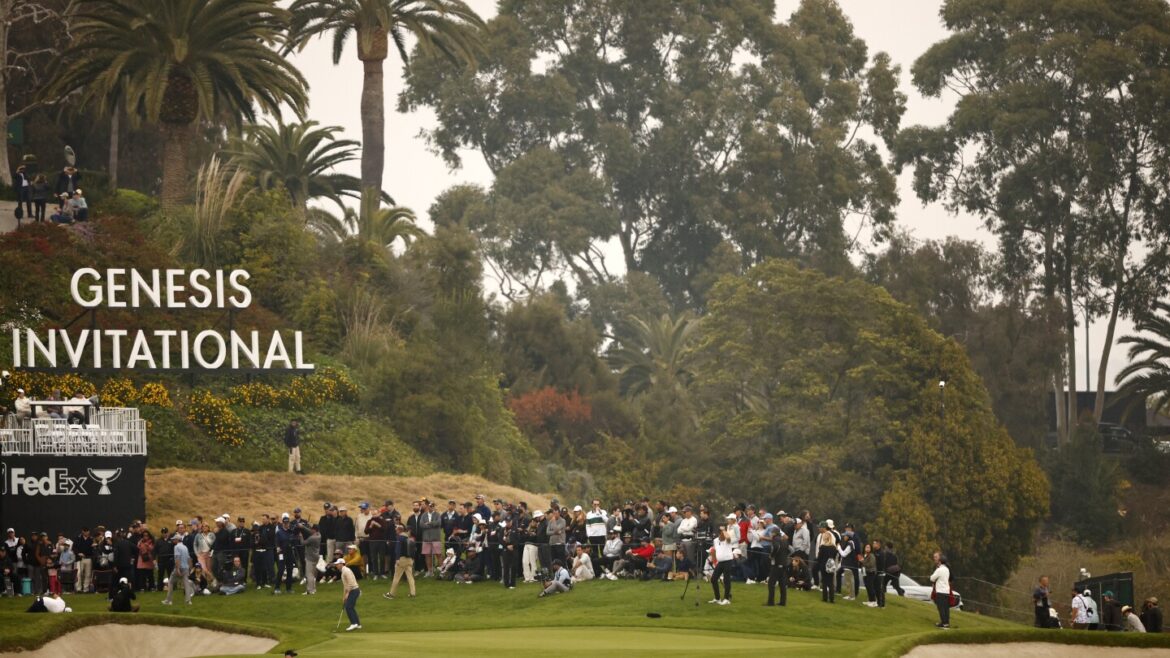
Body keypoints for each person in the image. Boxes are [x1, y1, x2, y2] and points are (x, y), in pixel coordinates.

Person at [708, 523, 735, 606]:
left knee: (726, 580)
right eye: (721, 533)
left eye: (723, 533)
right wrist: (714, 561)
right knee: (713, 579)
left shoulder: (728, 539)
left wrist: (724, 530)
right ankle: (717, 598)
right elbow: (714, 551)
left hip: (728, 561)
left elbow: (728, 538)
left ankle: (726, 599)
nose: (722, 534)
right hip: (720, 562)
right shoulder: (716, 540)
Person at [163, 534, 194, 606]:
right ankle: (188, 601)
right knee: (186, 584)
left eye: (174, 539)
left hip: (180, 567)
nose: (173, 540)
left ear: (177, 540)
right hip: (186, 568)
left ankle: (168, 600)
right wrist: (190, 568)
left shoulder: (176, 547)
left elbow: (177, 558)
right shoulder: (185, 547)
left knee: (170, 582)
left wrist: (177, 569)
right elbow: (189, 558)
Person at [385, 526, 416, 599]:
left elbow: (397, 549)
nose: (396, 532)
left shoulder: (400, 538)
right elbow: (413, 550)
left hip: (401, 559)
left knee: (396, 577)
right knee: (410, 577)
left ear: (400, 531)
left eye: (396, 530)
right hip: (410, 560)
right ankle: (413, 593)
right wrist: (412, 559)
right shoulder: (409, 538)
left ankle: (391, 594)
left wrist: (397, 559)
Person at [765, 522, 789, 607]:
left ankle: (770, 602)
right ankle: (783, 602)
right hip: (784, 564)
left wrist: (772, 555)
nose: (771, 534)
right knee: (782, 583)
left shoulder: (775, 539)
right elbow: (790, 550)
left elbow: (776, 547)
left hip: (777, 564)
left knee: (771, 583)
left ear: (774, 533)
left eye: (771, 533)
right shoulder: (784, 540)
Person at [337, 557, 361, 632]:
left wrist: (347, 593)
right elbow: (345, 585)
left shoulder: (346, 571)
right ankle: (358, 624)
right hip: (353, 590)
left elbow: (350, 583)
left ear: (341, 564)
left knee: (348, 607)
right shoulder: (343, 571)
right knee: (351, 607)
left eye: (338, 564)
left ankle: (354, 623)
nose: (336, 565)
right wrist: (344, 596)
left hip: (353, 590)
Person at [929, 552, 952, 629]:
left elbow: (932, 578)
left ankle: (944, 624)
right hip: (946, 591)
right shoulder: (947, 569)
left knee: (941, 608)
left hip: (940, 591)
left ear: (940, 562)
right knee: (946, 608)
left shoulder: (939, 570)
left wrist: (933, 575)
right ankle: (946, 623)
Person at [302, 525, 321, 596]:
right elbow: (310, 531)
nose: (311, 530)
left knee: (309, 574)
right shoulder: (319, 535)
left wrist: (300, 536)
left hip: (310, 558)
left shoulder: (312, 538)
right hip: (316, 557)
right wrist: (303, 527)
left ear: (314, 530)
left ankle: (310, 590)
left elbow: (303, 543)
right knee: (312, 574)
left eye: (312, 529)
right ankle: (313, 589)